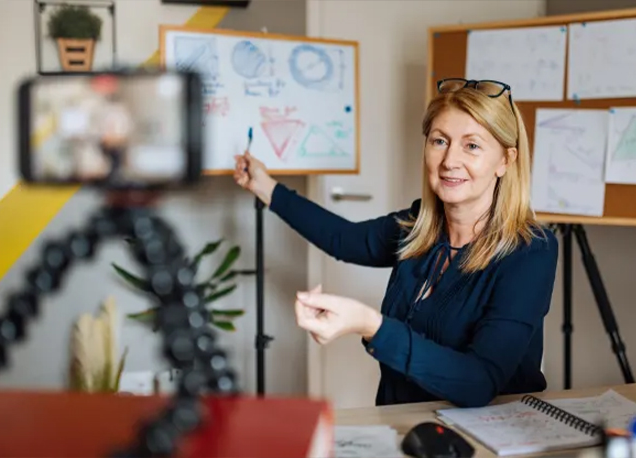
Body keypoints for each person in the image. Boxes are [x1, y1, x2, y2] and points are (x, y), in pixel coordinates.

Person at [232, 78, 558, 408]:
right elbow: (343, 240)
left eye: (472, 145)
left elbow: (479, 382)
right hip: (405, 425)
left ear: (506, 160)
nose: (449, 161)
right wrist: (265, 187)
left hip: (491, 439)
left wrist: (371, 325)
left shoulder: (531, 250)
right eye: (440, 141)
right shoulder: (418, 226)